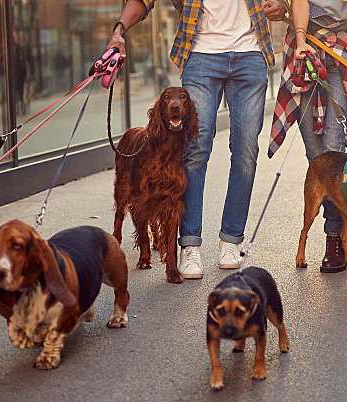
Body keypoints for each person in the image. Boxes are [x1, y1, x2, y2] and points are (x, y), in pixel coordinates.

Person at [106, 0, 285, 279]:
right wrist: (119, 30)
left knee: (246, 151)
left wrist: (282, 9)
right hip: (202, 56)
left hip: (250, 54)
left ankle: (231, 239)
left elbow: (284, 5)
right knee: (195, 150)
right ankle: (189, 244)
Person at [268, 0, 347, 273]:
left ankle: (335, 237)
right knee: (316, 156)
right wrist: (298, 31)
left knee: (333, 146)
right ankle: (343, 227)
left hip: (339, 51)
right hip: (304, 51)